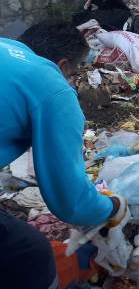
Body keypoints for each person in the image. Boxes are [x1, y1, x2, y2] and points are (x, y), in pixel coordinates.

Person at [0, 21, 127, 289]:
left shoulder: (6, 49)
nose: (71, 82)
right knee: (30, 253)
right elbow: (70, 202)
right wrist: (113, 208)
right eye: (74, 73)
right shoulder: (52, 86)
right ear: (62, 65)